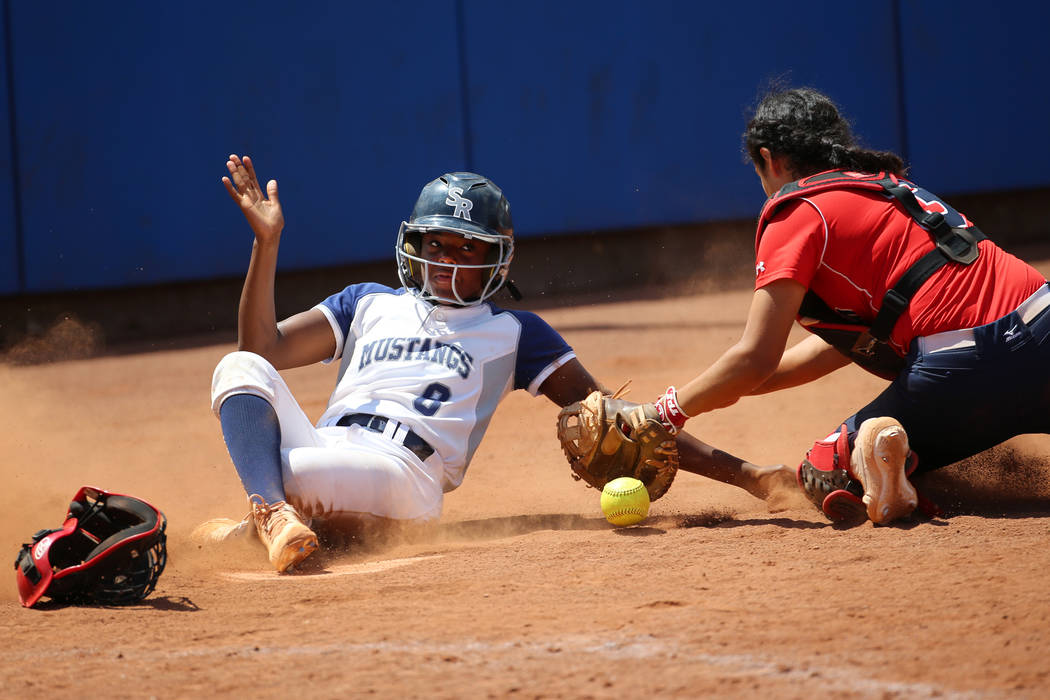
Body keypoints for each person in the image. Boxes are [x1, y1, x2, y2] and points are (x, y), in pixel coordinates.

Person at [194, 155, 791, 573]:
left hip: (403, 474)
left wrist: (749, 476)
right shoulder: (367, 302)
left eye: (467, 248)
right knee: (236, 367)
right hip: (325, 446)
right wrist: (265, 244)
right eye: (437, 244)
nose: (448, 260)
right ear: (413, 244)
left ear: (498, 258)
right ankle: (272, 515)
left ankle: (259, 520)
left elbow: (623, 422)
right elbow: (263, 350)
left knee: (298, 474)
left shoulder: (514, 332)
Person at [648, 87, 1050, 526]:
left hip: (967, 364)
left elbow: (755, 356)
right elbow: (841, 346)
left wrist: (663, 412)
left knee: (824, 471)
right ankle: (892, 464)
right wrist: (723, 388)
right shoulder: (885, 186)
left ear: (771, 158)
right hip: (1042, 321)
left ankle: (876, 465)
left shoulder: (797, 211)